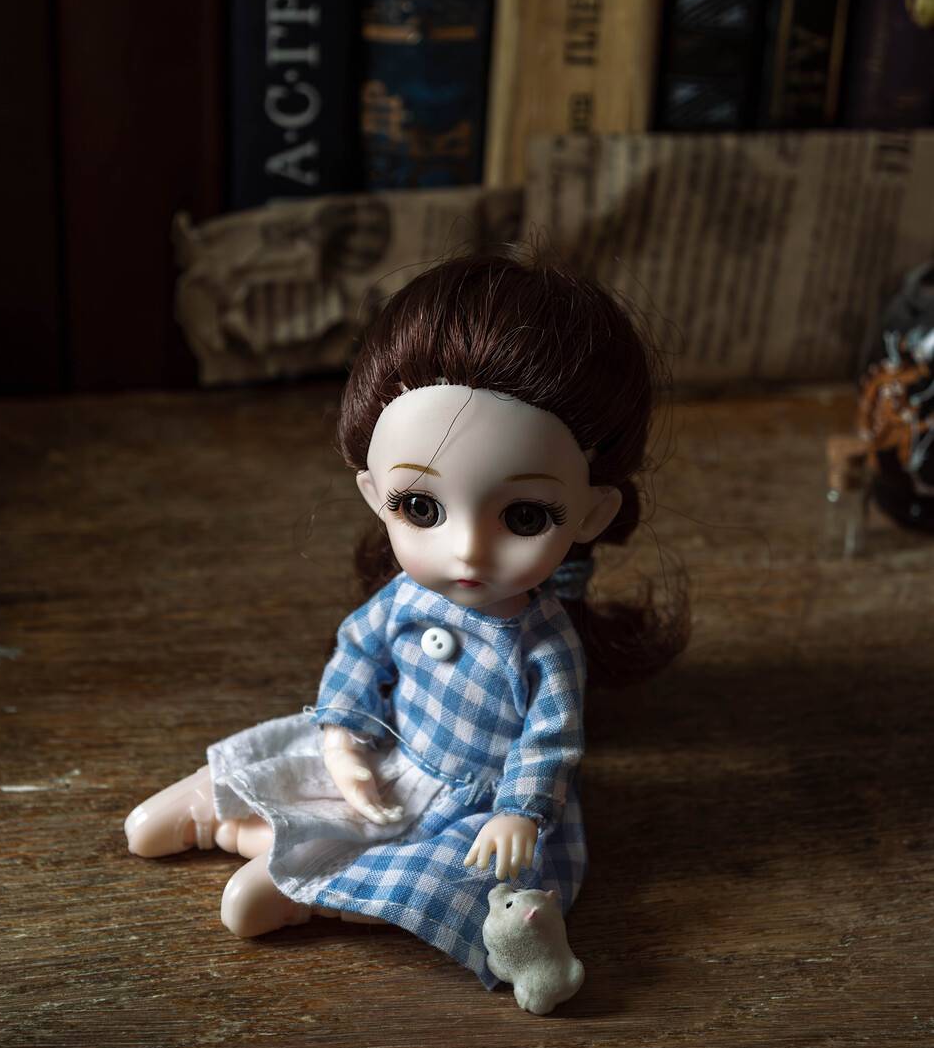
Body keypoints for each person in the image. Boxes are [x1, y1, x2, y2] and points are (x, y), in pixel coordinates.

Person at [124, 251, 688, 990]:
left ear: (590, 513)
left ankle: (322, 886)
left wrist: (518, 814)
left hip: (474, 805)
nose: (467, 549)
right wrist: (341, 735)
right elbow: (357, 654)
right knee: (238, 790)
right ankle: (230, 815)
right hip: (387, 753)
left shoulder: (543, 643)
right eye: (420, 507)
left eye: (524, 516)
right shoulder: (404, 598)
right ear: (372, 492)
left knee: (456, 876)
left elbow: (549, 740)